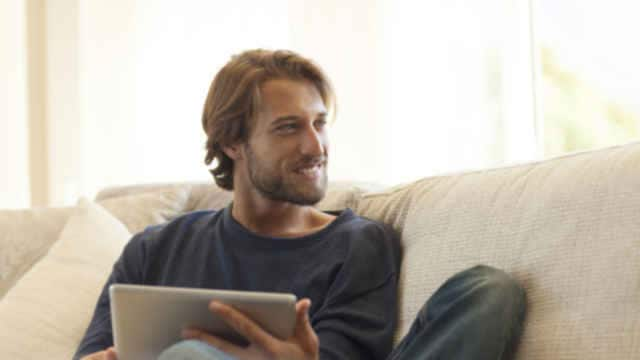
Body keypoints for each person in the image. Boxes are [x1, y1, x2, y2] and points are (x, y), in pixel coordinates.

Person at [75, 49, 527, 360]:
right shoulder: (155, 249)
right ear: (233, 141)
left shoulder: (357, 245)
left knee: (488, 293)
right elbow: (93, 351)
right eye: (289, 128)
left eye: (320, 123)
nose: (316, 146)